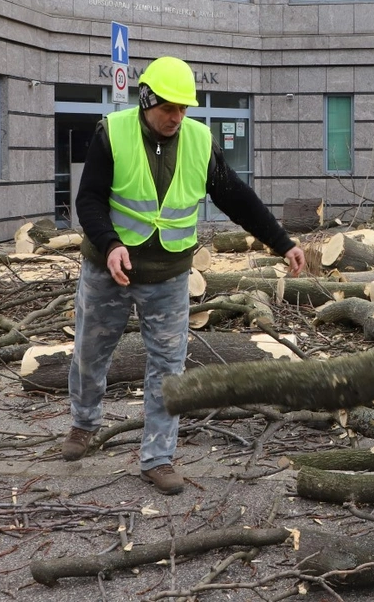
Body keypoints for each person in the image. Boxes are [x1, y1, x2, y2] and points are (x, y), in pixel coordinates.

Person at [66, 56, 306, 494]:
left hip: (169, 275)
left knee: (168, 368)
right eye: (168, 108)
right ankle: (84, 424)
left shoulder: (199, 140)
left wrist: (282, 241)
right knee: (89, 352)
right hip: (108, 269)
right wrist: (111, 243)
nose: (177, 116)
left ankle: (157, 457)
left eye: (183, 108)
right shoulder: (112, 133)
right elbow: (89, 200)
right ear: (146, 99)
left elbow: (237, 197)